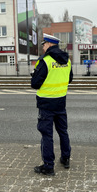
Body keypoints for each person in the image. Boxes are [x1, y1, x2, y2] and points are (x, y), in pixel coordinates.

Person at [31, 33, 73, 176]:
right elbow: (70, 78)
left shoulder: (45, 61)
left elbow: (35, 84)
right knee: (63, 131)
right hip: (61, 102)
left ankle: (48, 166)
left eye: (43, 44)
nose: (43, 47)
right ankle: (65, 158)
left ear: (48, 44)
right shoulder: (67, 60)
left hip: (46, 104)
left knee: (47, 135)